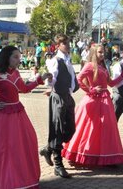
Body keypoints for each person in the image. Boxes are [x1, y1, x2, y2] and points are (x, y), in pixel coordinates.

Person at [0, 46, 51, 189]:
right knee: (3, 150)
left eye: (19, 57)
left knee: (21, 146)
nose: (19, 60)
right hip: (1, 119)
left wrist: (40, 79)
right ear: (6, 57)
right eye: (15, 57)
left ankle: (17, 179)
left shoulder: (16, 73)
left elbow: (24, 89)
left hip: (18, 116)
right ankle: (2, 181)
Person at [62, 44, 123, 167]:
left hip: (105, 101)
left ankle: (108, 156)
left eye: (103, 52)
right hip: (93, 101)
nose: (102, 54)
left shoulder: (103, 66)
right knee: (87, 129)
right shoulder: (89, 66)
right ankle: (78, 154)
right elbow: (78, 79)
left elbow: (111, 83)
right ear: (94, 53)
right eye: (100, 52)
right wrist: (91, 89)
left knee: (106, 129)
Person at [39, 33, 79, 178]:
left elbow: (72, 79)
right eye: (65, 43)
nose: (68, 45)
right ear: (58, 46)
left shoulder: (67, 59)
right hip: (58, 98)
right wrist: (50, 85)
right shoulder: (56, 60)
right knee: (57, 129)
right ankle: (58, 164)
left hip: (68, 97)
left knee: (70, 130)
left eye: (68, 43)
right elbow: (51, 79)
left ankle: (48, 149)